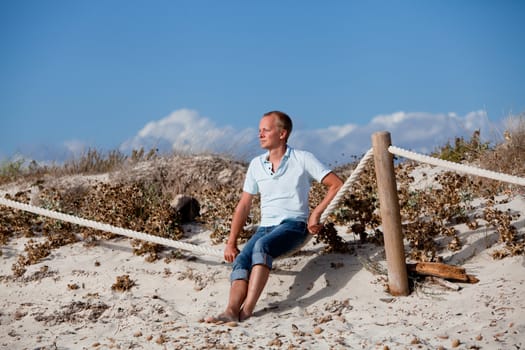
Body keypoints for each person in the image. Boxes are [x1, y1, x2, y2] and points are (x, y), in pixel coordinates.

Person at [205, 111, 343, 323]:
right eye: (259, 131)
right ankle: (231, 310)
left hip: (295, 225)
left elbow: (336, 184)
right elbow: (243, 205)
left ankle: (247, 310)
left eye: (266, 130)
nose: (260, 135)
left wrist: (316, 213)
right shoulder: (256, 164)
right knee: (241, 260)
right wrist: (231, 242)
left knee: (262, 247)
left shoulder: (303, 158)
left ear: (282, 133)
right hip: (265, 227)